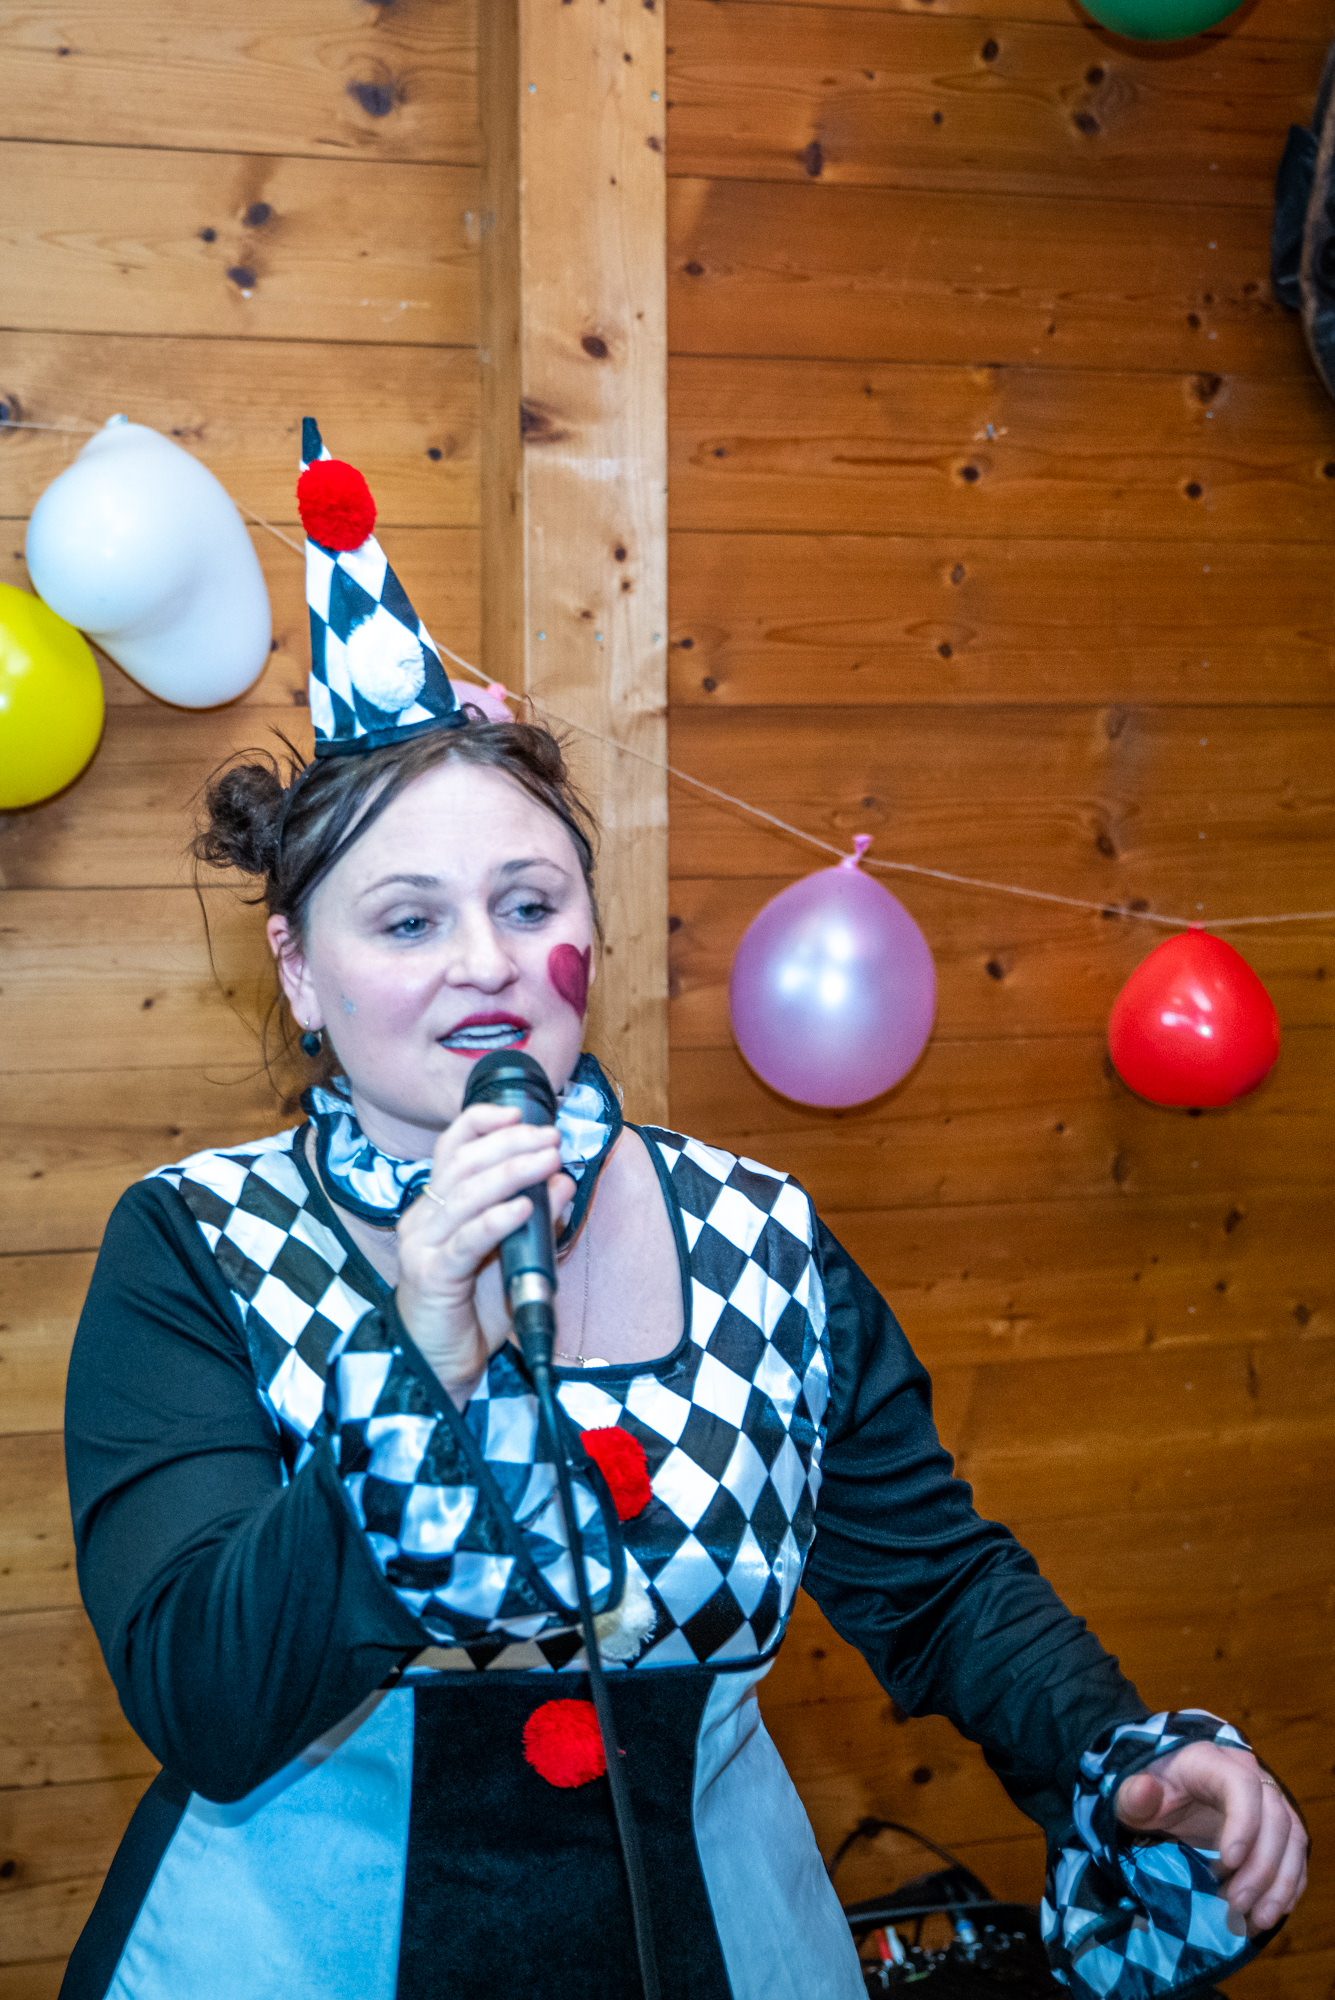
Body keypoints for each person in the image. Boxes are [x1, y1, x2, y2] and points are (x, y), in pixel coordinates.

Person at [62, 424, 1307, 2000]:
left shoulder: (759, 1233)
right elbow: (206, 1701)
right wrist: (417, 1363)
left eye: (529, 903)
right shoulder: (196, 1246)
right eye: (407, 921)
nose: (485, 965)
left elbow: (935, 1586)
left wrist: (1112, 1753)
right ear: (300, 972)